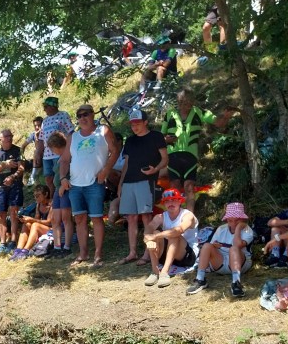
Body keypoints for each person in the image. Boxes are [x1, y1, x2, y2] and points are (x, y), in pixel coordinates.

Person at [161, 89, 234, 213]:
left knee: (189, 186)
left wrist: (226, 117)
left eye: (190, 103)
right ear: (179, 102)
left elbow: (219, 123)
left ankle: (189, 216)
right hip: (172, 154)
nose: (188, 106)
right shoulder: (169, 114)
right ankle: (176, 216)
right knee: (174, 186)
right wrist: (166, 140)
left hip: (190, 155)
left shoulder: (198, 112)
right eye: (185, 103)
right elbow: (160, 137)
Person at [61, 104, 115, 267]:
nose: (82, 118)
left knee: (97, 218)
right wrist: (63, 177)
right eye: (79, 115)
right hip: (75, 185)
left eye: (86, 114)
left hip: (94, 182)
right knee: (79, 219)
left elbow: (115, 150)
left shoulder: (103, 131)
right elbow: (64, 160)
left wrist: (105, 170)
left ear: (93, 115)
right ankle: (83, 253)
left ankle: (98, 254)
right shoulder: (73, 137)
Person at [117, 109, 168, 265]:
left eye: (137, 123)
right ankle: (132, 252)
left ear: (145, 122)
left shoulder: (156, 137)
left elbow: (165, 159)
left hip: (146, 181)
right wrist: (120, 184)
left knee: (146, 216)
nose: (134, 126)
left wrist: (155, 170)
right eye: (132, 124)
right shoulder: (130, 141)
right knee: (130, 217)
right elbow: (126, 163)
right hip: (128, 182)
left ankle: (148, 252)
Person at [186, 202, 255, 297]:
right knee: (206, 246)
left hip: (240, 263)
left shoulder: (247, 230)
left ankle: (236, 282)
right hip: (221, 261)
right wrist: (215, 246)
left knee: (234, 248)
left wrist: (239, 229)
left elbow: (238, 244)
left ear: (242, 219)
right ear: (226, 220)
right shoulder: (221, 229)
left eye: (237, 221)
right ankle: (200, 279)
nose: (234, 224)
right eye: (230, 221)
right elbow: (212, 245)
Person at [143, 188, 198, 287]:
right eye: (167, 201)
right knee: (154, 233)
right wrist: (147, 239)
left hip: (187, 256)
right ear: (164, 204)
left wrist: (154, 236)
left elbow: (179, 230)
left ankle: (164, 272)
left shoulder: (188, 215)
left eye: (173, 200)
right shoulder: (160, 217)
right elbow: (149, 229)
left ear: (180, 201)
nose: (170, 203)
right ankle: (155, 271)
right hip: (168, 253)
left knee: (173, 235)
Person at [0, 128, 26, 254]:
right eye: (6, 136)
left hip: (15, 185)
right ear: (0, 139)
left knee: (13, 212)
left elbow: (22, 168)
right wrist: (5, 165)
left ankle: (13, 240)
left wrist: (13, 177)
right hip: (1, 187)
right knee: (1, 214)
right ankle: (2, 242)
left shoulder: (18, 150)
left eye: (11, 136)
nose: (10, 138)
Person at [37, 97, 74, 194]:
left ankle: (62, 196)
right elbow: (41, 138)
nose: (44, 109)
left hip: (59, 153)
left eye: (46, 106)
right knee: (48, 178)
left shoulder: (63, 115)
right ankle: (53, 197)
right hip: (47, 155)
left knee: (58, 177)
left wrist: (68, 150)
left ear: (53, 106)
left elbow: (71, 132)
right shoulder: (44, 121)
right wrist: (38, 153)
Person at [46, 132, 73, 255]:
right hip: (58, 189)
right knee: (55, 219)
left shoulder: (70, 155)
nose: (52, 151)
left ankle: (66, 247)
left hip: (67, 189)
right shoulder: (58, 157)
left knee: (66, 218)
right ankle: (57, 247)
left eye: (52, 148)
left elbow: (72, 172)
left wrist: (64, 185)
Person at [11, 184, 54, 260]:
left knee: (35, 225)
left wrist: (32, 220)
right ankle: (18, 250)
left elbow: (49, 222)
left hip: (51, 230)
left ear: (46, 194)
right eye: (35, 196)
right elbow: (36, 219)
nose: (36, 197)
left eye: (38, 195)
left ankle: (26, 250)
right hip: (43, 228)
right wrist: (26, 220)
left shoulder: (52, 204)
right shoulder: (38, 204)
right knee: (26, 224)